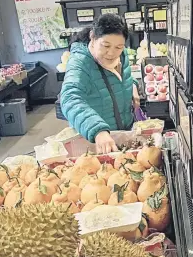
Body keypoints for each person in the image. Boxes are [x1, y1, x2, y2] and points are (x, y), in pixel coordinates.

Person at [60, 14, 140, 154]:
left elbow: (119, 80)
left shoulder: (122, 55)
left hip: (122, 134)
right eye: (106, 45)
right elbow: (70, 98)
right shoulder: (80, 62)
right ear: (93, 37)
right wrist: (98, 130)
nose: (111, 53)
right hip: (96, 142)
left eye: (118, 47)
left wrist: (132, 85)